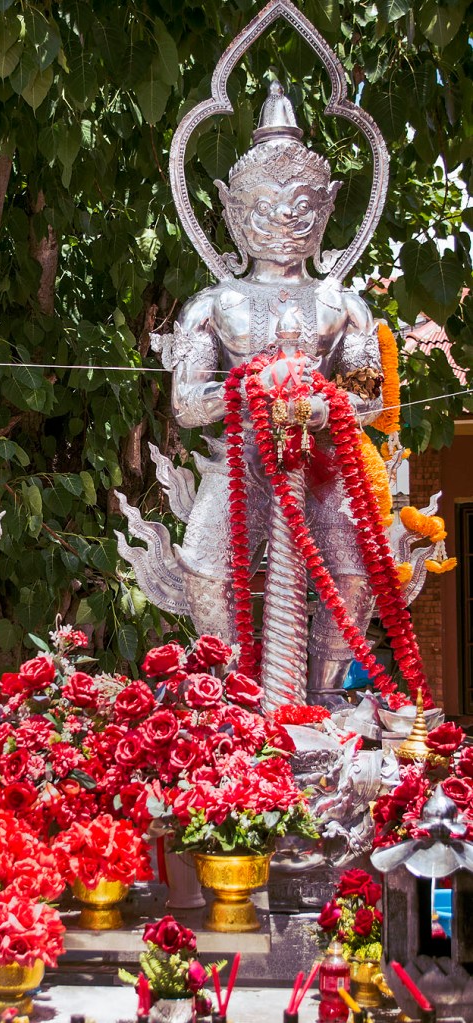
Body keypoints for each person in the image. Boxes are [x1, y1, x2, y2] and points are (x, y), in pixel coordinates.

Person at [152, 82, 383, 706]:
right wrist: (250, 389)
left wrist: (319, 404)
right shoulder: (216, 307)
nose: (283, 223)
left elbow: (370, 398)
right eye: (264, 210)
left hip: (326, 465)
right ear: (232, 212)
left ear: (328, 207)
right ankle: (232, 695)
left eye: (300, 209)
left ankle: (327, 690)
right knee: (204, 566)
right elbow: (188, 402)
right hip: (246, 460)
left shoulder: (343, 307)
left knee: (357, 571)